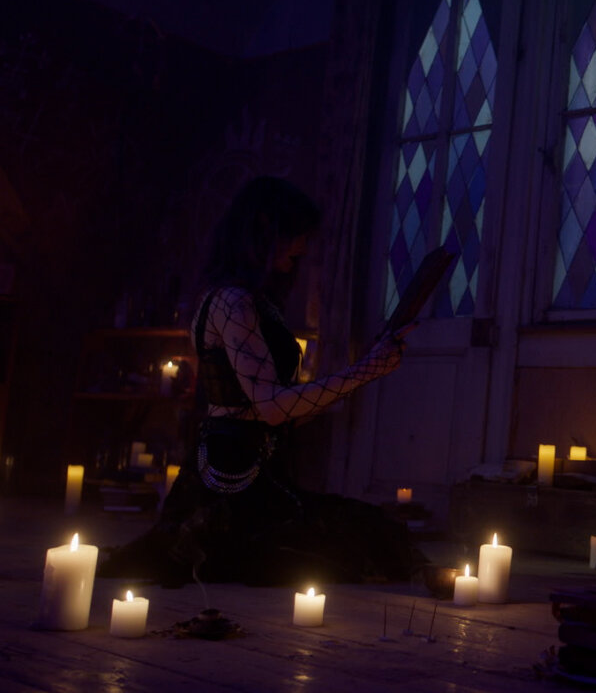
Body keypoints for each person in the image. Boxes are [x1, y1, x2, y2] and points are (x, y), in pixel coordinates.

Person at [101, 176, 416, 587]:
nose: (303, 247)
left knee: (375, 531)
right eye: (296, 235)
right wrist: (365, 370)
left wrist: (346, 386)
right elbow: (269, 406)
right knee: (331, 553)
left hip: (260, 477)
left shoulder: (254, 301)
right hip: (227, 486)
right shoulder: (230, 302)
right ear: (266, 232)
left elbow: (272, 412)